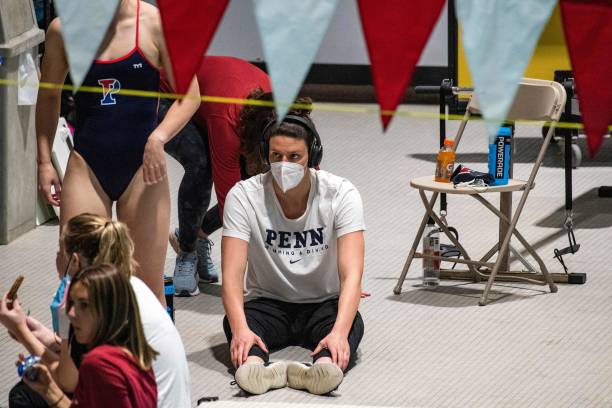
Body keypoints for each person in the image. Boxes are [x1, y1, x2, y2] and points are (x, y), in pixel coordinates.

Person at [36, 0, 200, 304]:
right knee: (77, 276)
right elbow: (48, 97)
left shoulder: (155, 24)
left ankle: (146, 352)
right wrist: (44, 161)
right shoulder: (63, 31)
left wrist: (158, 137)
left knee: (146, 288)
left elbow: (191, 96)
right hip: (88, 164)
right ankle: (86, 352)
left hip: (142, 169)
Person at [221, 95, 366, 395]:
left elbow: (352, 274)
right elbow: (232, 276)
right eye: (276, 156)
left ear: (312, 157)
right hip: (267, 303)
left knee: (351, 325)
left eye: (294, 157)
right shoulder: (243, 196)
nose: (284, 164)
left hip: (323, 303)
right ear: (266, 155)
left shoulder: (341, 194)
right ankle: (255, 367)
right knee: (236, 323)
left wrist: (338, 333)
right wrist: (240, 329)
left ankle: (321, 368)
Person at [0, 213, 191, 407]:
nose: (57, 257)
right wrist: (50, 339)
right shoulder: (129, 286)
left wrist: (20, 331)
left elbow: (67, 378)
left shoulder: (86, 302)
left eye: (60, 251)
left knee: (24, 393)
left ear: (74, 261)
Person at [161, 56, 271, 296]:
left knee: (257, 182)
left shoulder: (287, 119)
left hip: (211, 101)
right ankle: (187, 251)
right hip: (166, 96)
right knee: (202, 166)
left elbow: (309, 186)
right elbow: (231, 203)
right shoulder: (228, 121)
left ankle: (193, 233)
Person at [23, 263, 158, 407]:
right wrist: (48, 390)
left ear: (109, 309)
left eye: (84, 305)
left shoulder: (98, 363)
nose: (71, 313)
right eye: (71, 303)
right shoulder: (137, 354)